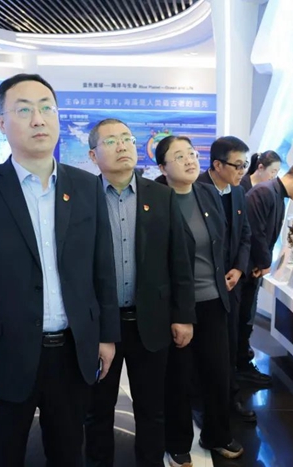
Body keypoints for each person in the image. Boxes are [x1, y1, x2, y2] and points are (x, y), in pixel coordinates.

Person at [0, 73, 120, 467]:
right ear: (2, 124)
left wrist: (106, 336)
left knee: (68, 454)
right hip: (0, 357)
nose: (38, 119)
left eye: (46, 108)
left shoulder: (86, 187)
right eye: (23, 110)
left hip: (72, 353)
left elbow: (102, 270)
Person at [84, 119, 195, 467]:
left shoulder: (160, 196)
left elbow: (180, 260)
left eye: (127, 139)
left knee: (151, 408)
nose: (122, 146)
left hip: (151, 320)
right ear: (93, 155)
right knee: (97, 409)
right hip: (101, 325)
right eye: (111, 141)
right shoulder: (82, 197)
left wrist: (183, 316)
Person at [155, 135, 244, 466]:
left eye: (191, 153)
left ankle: (217, 435)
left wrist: (234, 269)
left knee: (218, 374)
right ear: (162, 167)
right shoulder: (156, 200)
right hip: (177, 306)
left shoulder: (207, 193)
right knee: (178, 378)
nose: (190, 160)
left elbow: (223, 240)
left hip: (214, 300)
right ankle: (178, 442)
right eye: (179, 156)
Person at [239, 162, 293, 385]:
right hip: (246, 268)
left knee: (246, 317)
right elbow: (255, 232)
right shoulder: (265, 192)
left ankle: (242, 365)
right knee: (242, 319)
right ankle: (239, 370)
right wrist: (264, 263)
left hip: (253, 266)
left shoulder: (276, 194)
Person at [196, 136, 256, 420]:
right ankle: (201, 401)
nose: (242, 171)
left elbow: (245, 235)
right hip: (202, 287)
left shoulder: (239, 192)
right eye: (238, 165)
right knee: (204, 350)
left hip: (231, 285)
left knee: (229, 345)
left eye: (245, 165)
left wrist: (239, 269)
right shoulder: (193, 189)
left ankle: (229, 399)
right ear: (217, 165)